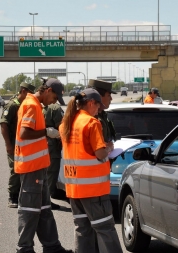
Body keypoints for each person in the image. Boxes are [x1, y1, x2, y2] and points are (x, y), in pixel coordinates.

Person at [59, 88, 123, 253]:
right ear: (91, 103)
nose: (99, 110)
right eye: (98, 106)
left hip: (74, 189)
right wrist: (109, 147)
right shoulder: (91, 123)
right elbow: (100, 153)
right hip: (93, 189)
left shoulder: (67, 123)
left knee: (82, 229)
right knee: (105, 229)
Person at [14, 78, 72, 253]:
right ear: (47, 90)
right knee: (30, 209)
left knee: (44, 209)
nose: (54, 101)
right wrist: (47, 132)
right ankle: (24, 248)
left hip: (38, 167)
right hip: (31, 167)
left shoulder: (36, 105)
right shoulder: (31, 105)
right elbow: (25, 133)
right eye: (54, 97)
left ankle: (52, 246)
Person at [0, 82, 35, 208]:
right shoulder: (12, 105)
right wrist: (8, 144)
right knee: (15, 170)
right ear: (24, 91)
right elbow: (4, 125)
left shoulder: (25, 105)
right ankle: (12, 196)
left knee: (24, 169)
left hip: (23, 144)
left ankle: (22, 195)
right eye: (30, 93)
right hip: (13, 144)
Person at [43, 100, 65, 210]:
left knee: (47, 172)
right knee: (52, 172)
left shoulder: (43, 106)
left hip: (44, 142)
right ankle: (46, 201)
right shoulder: (55, 108)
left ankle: (45, 198)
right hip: (53, 143)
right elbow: (60, 125)